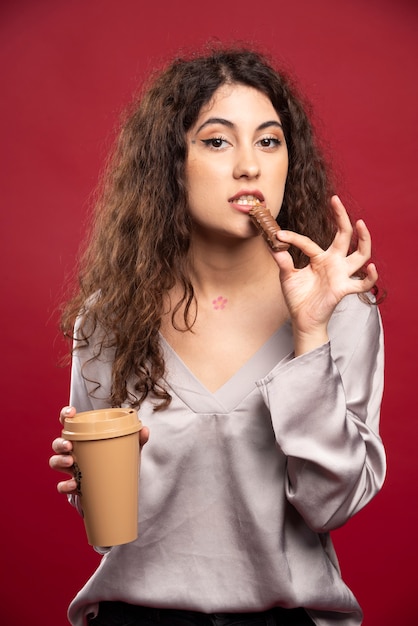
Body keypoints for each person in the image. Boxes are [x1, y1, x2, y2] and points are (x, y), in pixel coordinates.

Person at [49, 45, 386, 626]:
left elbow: (330, 506)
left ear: (288, 160)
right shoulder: (109, 319)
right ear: (169, 162)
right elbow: (110, 537)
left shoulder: (341, 313)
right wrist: (92, 483)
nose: (249, 166)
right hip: (137, 615)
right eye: (217, 140)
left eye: (269, 141)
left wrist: (310, 334)